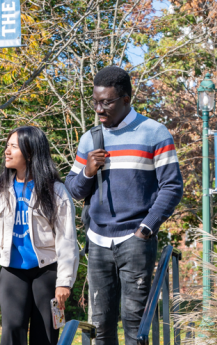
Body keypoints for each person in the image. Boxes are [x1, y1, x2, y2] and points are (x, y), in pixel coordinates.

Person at [65, 66, 183, 344]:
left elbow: (172, 186)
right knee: (100, 323)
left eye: (106, 102)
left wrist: (146, 228)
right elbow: (73, 188)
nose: (99, 109)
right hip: (97, 241)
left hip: (135, 238)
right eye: (95, 102)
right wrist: (88, 171)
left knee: (134, 320)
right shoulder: (90, 139)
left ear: (126, 99)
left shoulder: (154, 132)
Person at [0, 126, 80, 345]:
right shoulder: (0, 189)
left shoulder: (56, 191)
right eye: (7, 146)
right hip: (12, 271)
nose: (6, 151)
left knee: (47, 333)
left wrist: (64, 282)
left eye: (13, 147)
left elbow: (67, 241)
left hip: (48, 272)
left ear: (31, 152)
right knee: (12, 330)